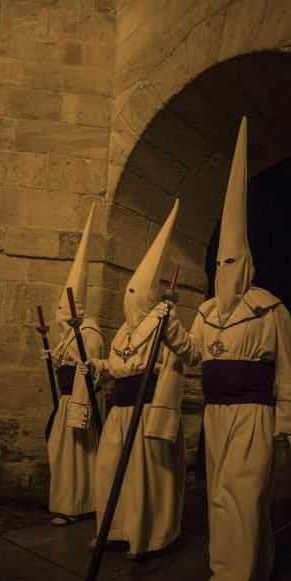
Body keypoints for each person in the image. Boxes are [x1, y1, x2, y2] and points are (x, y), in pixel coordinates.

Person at [155, 117, 291, 581]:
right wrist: (170, 324)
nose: (225, 270)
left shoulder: (270, 311)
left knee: (241, 493)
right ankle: (252, 571)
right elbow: (193, 354)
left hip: (253, 415)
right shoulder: (206, 313)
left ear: (248, 265)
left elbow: (287, 373)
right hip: (215, 417)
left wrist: (288, 423)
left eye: (233, 262)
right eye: (219, 261)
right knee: (226, 497)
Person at [85, 200, 186, 559]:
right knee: (110, 468)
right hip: (119, 411)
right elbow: (118, 365)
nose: (130, 298)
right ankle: (113, 528)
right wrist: (97, 365)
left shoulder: (164, 321)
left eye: (134, 293)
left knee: (144, 476)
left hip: (146, 411)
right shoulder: (124, 333)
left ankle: (146, 537)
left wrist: (171, 328)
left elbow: (182, 359)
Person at [44, 204, 104, 525]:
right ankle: (68, 501)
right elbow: (67, 362)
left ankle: (77, 504)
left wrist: (80, 407)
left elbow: (88, 371)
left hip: (78, 404)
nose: (57, 318)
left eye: (62, 313)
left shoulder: (89, 334)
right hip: (68, 401)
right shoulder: (71, 335)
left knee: (76, 457)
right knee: (62, 454)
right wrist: (54, 359)